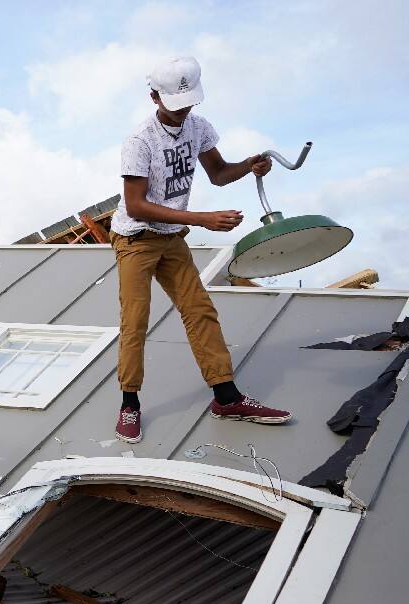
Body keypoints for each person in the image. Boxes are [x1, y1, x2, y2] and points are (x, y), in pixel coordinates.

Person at [110, 56, 290, 443]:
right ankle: (130, 404)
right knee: (136, 320)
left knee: (199, 310)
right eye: (175, 104)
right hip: (136, 239)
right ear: (154, 97)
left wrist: (249, 165)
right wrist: (202, 218)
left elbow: (220, 174)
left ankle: (226, 397)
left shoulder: (198, 127)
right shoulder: (139, 142)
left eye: (188, 102)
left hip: (172, 236)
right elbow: (136, 204)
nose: (183, 110)